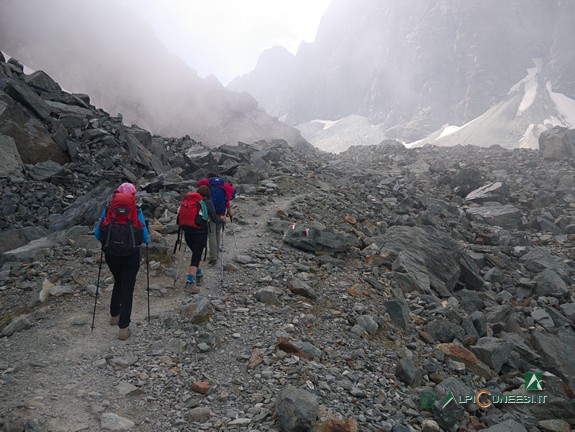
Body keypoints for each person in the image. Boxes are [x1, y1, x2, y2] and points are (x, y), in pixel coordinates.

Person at [94, 182, 150, 340]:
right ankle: (123, 328)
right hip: (131, 254)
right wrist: (146, 241)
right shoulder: (136, 210)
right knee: (127, 289)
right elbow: (145, 236)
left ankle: (114, 315)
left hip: (111, 254)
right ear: (133, 195)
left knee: (118, 281)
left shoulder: (108, 209)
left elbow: (98, 233)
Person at [182, 185, 222, 293]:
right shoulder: (207, 202)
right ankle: (190, 282)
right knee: (196, 257)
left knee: (197, 253)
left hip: (187, 232)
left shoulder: (190, 201)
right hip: (200, 233)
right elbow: (214, 218)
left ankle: (199, 276)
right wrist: (221, 220)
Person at [198, 172, 234, 266]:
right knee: (217, 234)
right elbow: (227, 200)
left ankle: (213, 258)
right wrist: (229, 212)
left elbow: (199, 184)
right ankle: (216, 254)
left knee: (212, 235)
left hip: (211, 215)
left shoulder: (208, 185)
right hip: (222, 214)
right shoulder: (223, 187)